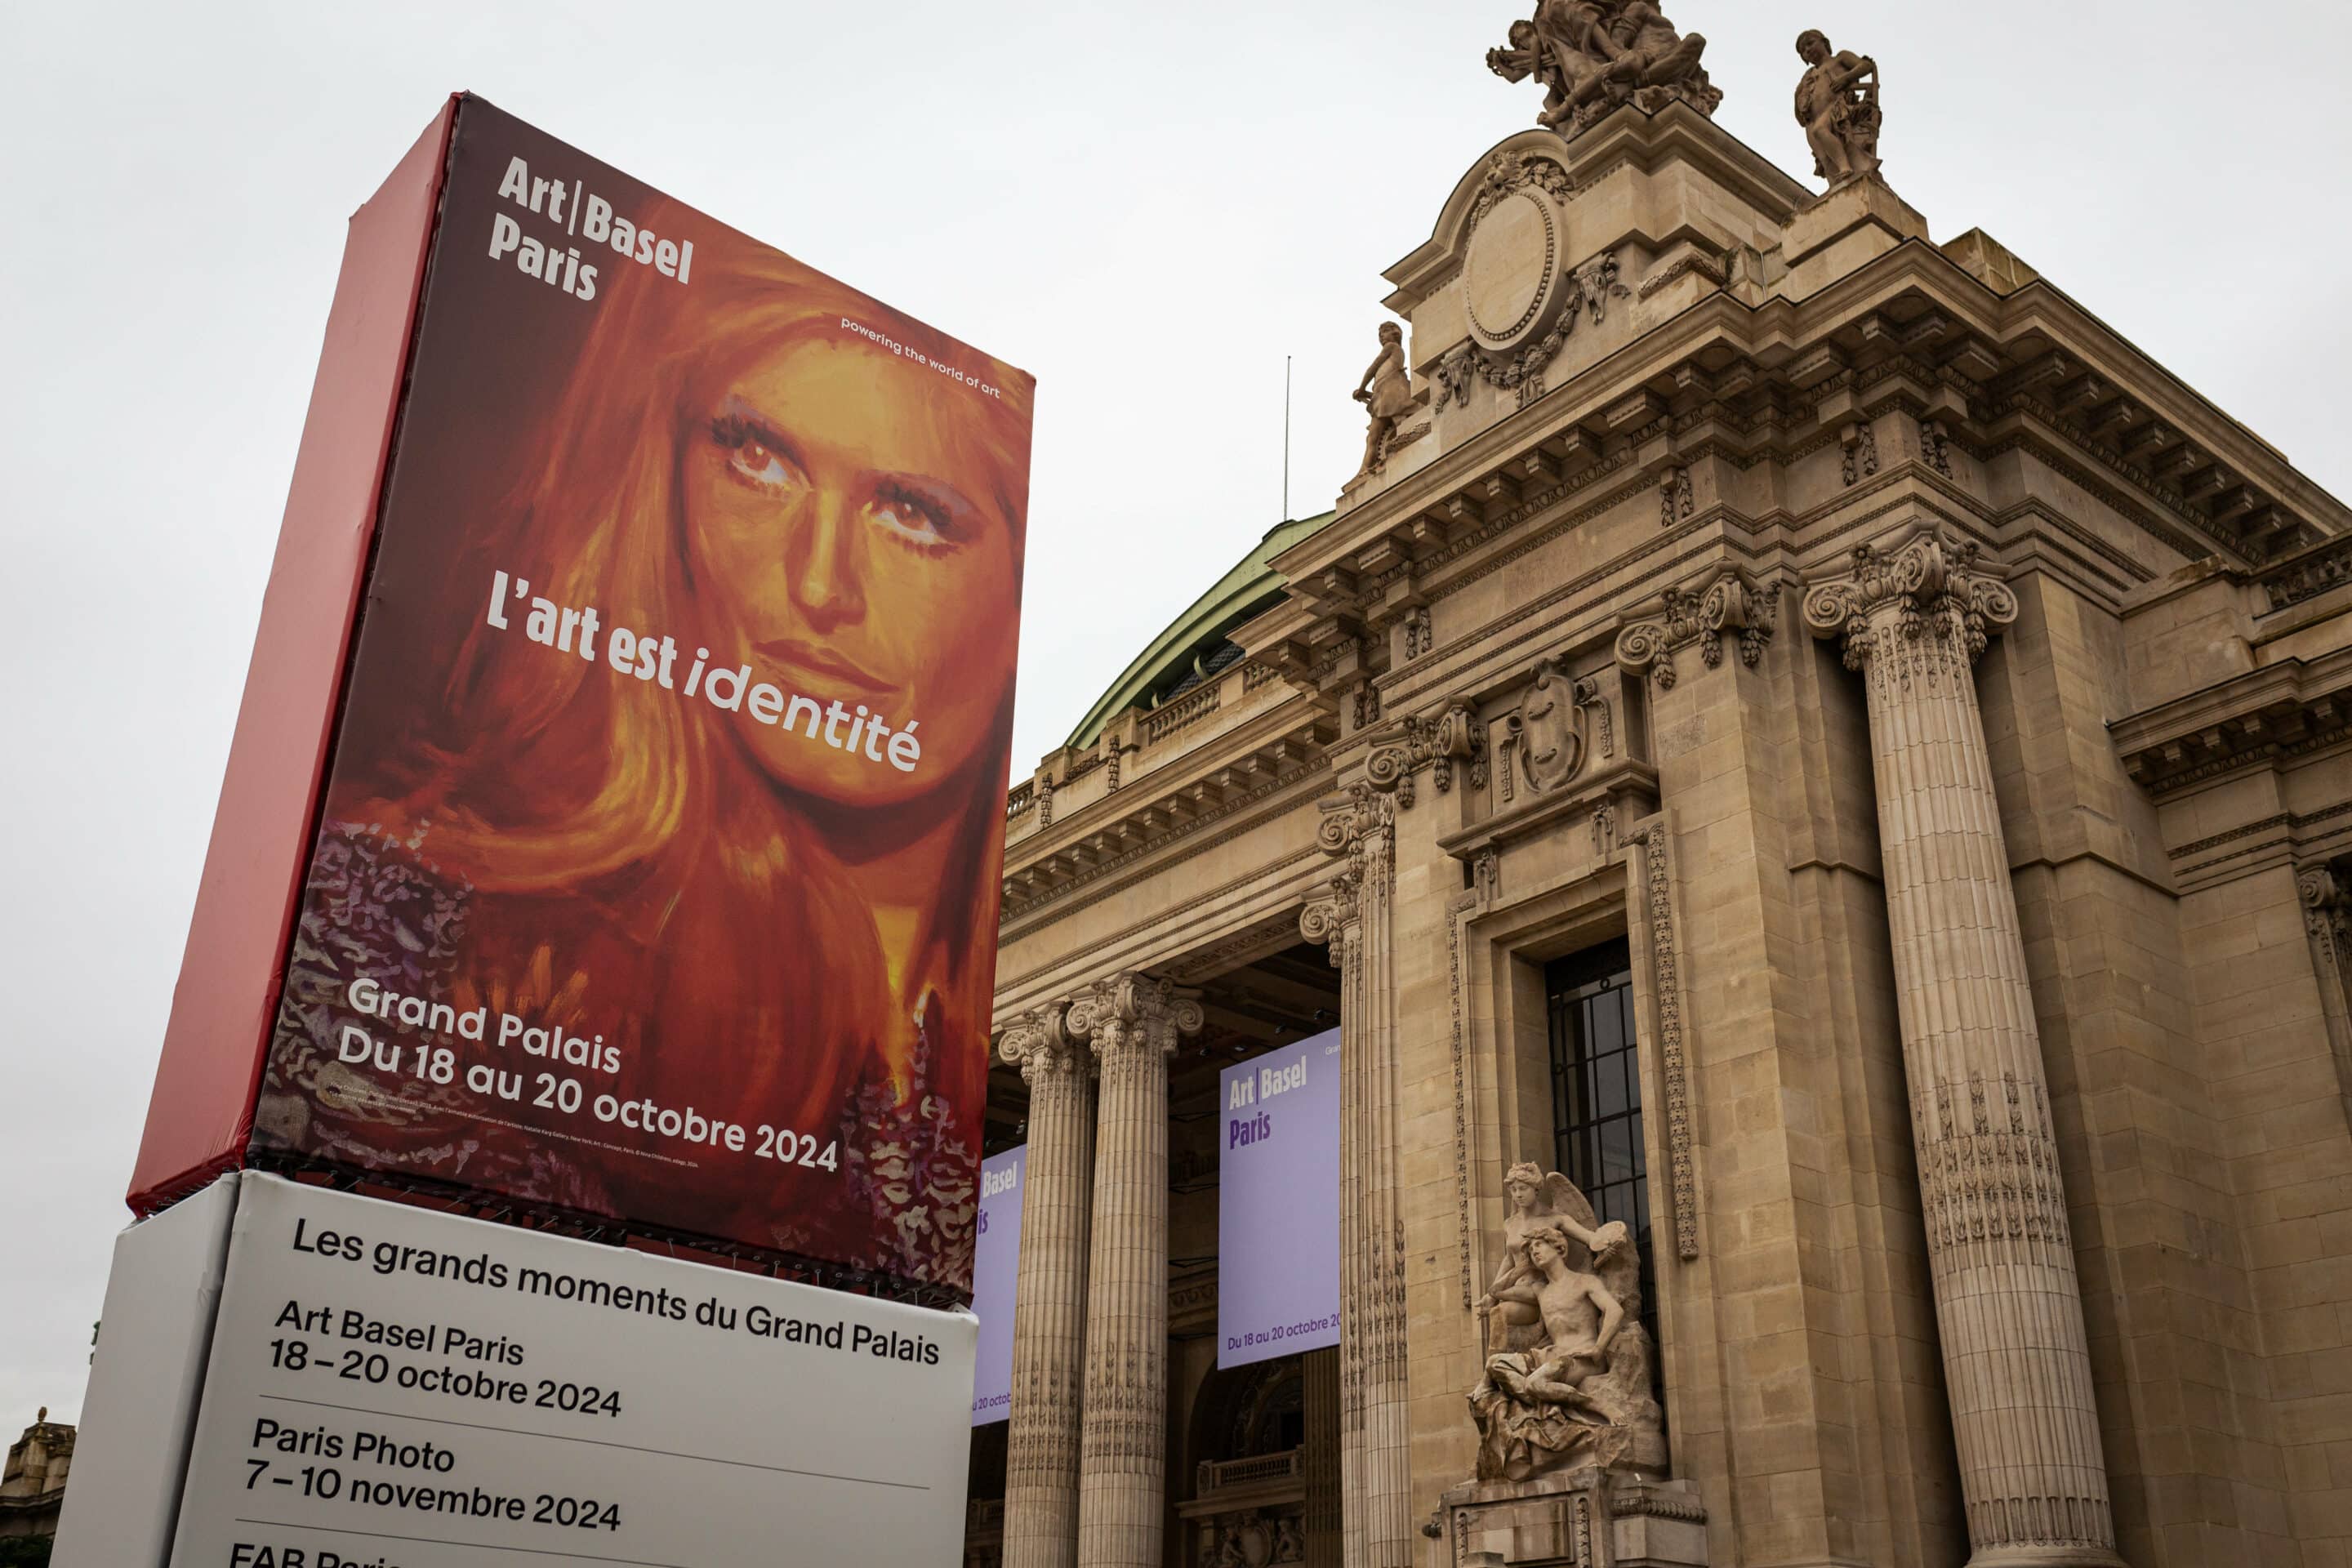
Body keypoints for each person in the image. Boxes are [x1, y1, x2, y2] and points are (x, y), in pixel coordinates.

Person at [252, 200, 1030, 1288]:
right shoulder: (412, 923)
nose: (818, 585)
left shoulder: (944, 1036)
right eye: (755, 456)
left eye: (913, 513)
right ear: (659, 488)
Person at [1794, 29, 1881, 185]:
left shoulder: (1839, 58)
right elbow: (1800, 118)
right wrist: (1798, 96)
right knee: (1826, 160)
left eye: (1810, 43)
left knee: (1820, 130)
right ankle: (1839, 186)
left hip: (1836, 109)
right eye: (1803, 51)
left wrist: (1845, 78)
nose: (1807, 50)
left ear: (1824, 43)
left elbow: (1866, 66)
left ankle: (1845, 167)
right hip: (1812, 121)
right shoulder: (1807, 77)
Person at [1353, 321, 1414, 474]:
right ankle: (1363, 471)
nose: (1381, 337)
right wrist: (1364, 393)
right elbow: (1379, 387)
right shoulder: (1392, 355)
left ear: (1395, 332)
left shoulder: (1392, 347)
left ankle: (1408, 450)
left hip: (1392, 393)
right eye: (1379, 335)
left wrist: (1361, 388)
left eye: (1385, 332)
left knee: (1399, 423)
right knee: (1372, 437)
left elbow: (1372, 369)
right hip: (1383, 396)